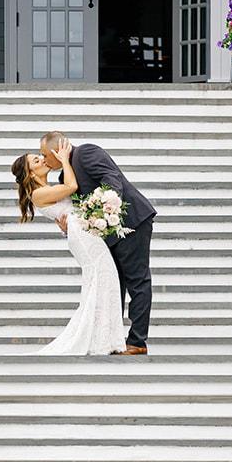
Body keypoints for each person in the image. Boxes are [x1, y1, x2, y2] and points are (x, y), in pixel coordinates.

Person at [40, 129, 156, 357]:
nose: (44, 159)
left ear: (57, 150)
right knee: (116, 283)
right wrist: (69, 225)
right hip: (107, 233)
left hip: (131, 221)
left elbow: (112, 180)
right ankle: (113, 339)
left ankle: (137, 341)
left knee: (137, 281)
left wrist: (106, 210)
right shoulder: (65, 178)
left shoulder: (86, 153)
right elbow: (76, 210)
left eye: (44, 154)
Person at [10, 138, 127, 356]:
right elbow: (71, 187)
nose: (43, 160)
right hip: (82, 236)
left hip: (81, 231)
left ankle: (106, 338)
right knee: (101, 276)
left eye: (41, 157)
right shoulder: (38, 193)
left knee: (103, 278)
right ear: (30, 173)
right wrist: (64, 159)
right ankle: (101, 340)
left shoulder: (46, 189)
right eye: (37, 160)